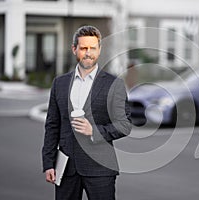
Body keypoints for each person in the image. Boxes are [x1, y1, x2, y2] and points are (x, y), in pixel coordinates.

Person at [42, 25, 132, 200]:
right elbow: (52, 126)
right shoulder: (59, 83)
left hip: (100, 169)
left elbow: (125, 124)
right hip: (66, 169)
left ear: (99, 50)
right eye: (83, 48)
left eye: (92, 48)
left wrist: (94, 131)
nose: (88, 53)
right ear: (74, 49)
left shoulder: (114, 84)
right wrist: (48, 163)